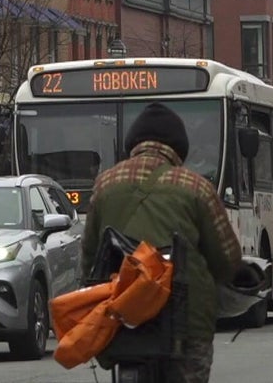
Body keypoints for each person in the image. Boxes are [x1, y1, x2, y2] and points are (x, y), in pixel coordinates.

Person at [81, 102, 242, 383]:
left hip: (122, 317)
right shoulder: (197, 187)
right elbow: (226, 258)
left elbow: (89, 255)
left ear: (133, 143)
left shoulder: (105, 185)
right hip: (186, 325)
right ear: (179, 147)